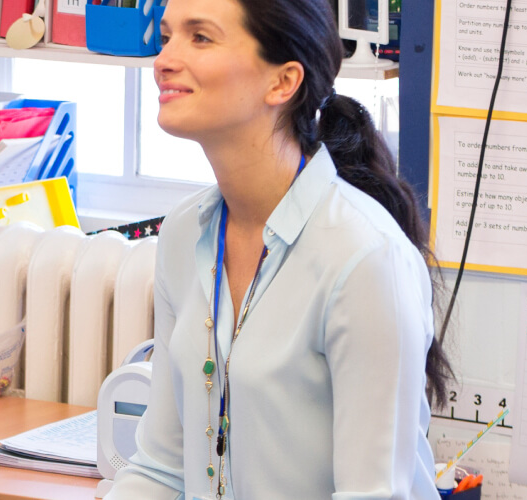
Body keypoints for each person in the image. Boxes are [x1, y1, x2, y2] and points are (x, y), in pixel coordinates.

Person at [105, 0, 450, 497]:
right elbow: (162, 468)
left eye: (200, 37)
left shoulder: (365, 258)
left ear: (283, 82)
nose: (164, 59)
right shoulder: (184, 232)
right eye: (166, 36)